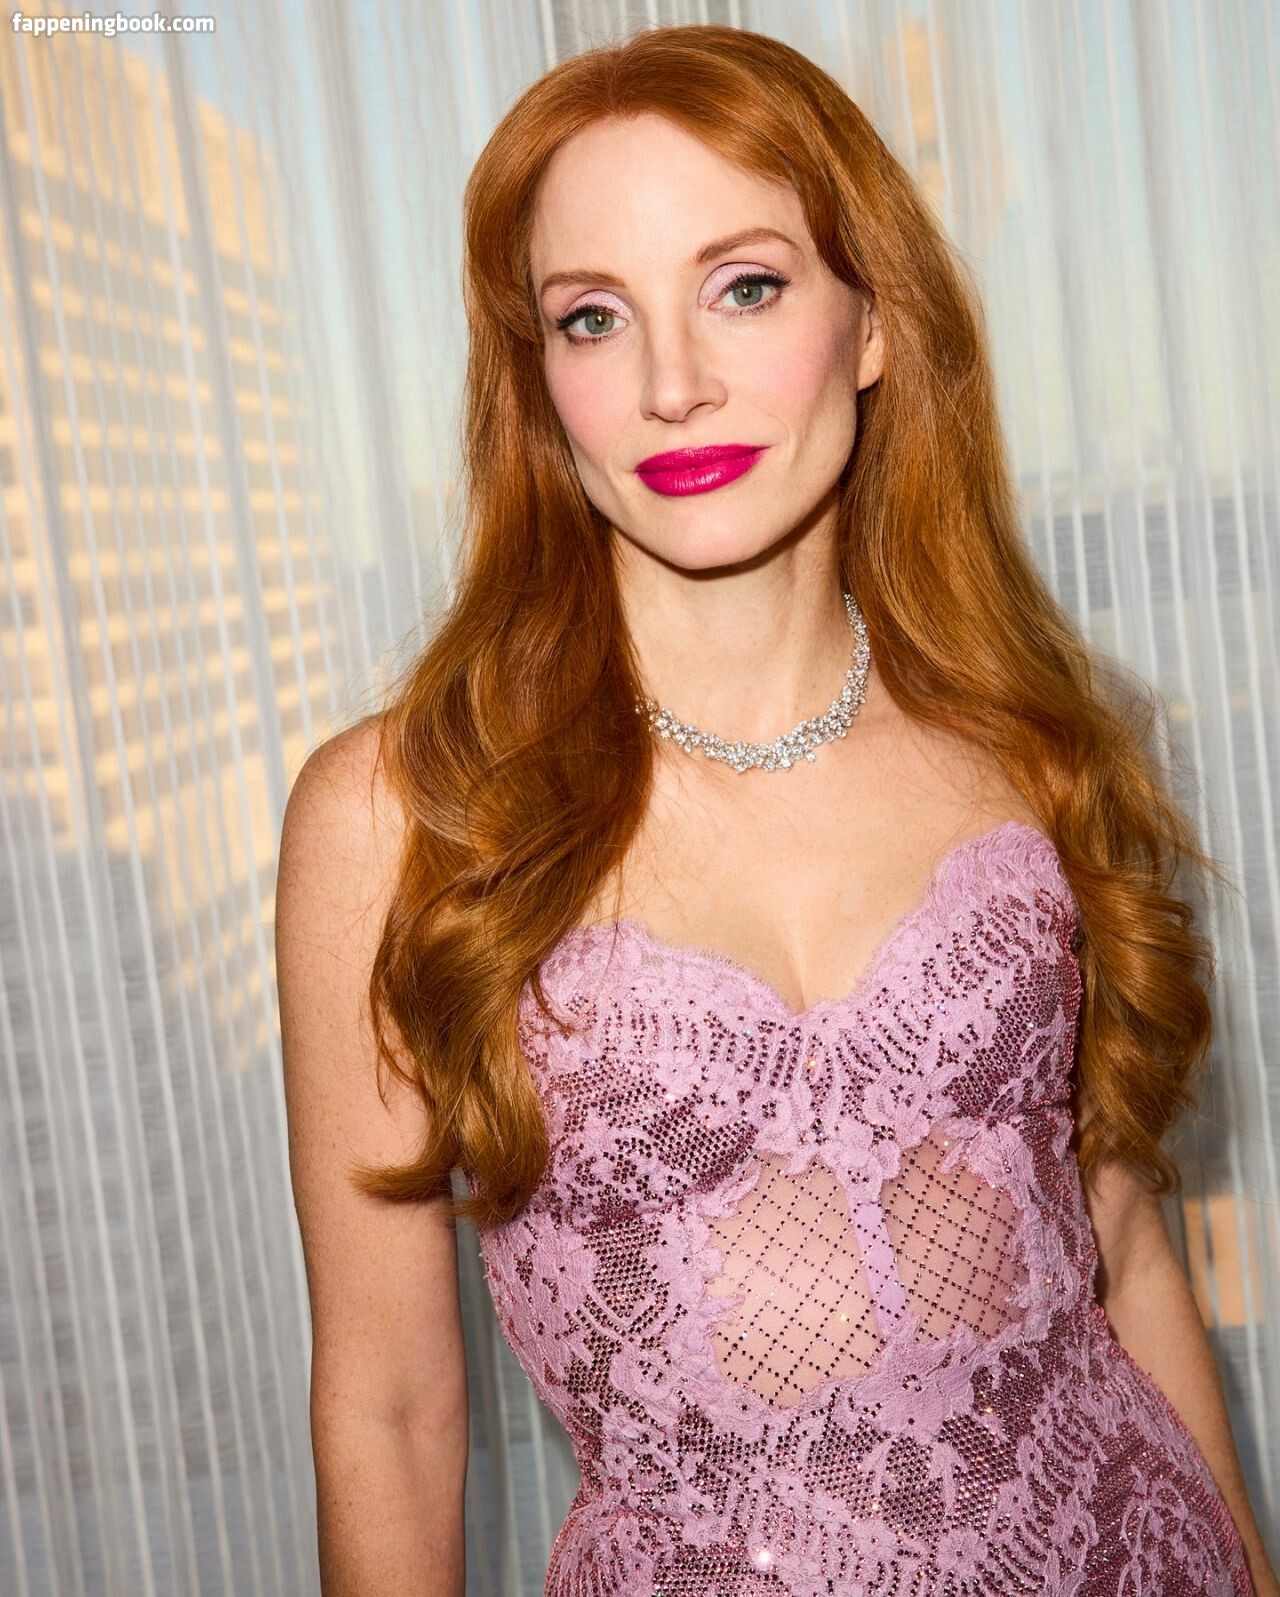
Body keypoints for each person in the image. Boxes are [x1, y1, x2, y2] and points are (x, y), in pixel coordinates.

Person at [275, 24, 1278, 1597]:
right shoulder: (401, 816)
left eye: (744, 287)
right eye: (593, 317)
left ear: (870, 323)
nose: (673, 384)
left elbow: (1122, 1244)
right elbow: (391, 1415)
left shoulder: (1024, 747)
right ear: (538, 382)